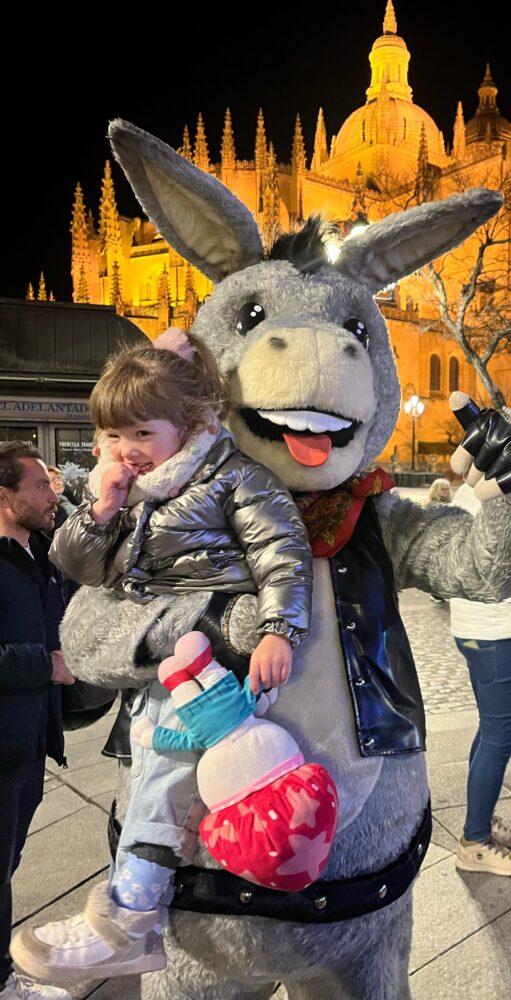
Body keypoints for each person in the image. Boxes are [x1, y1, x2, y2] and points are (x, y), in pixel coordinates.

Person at [11, 329, 313, 986]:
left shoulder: (233, 477)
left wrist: (278, 631)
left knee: (164, 770)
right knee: (152, 766)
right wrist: (101, 509)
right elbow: (75, 563)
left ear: (192, 423)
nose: (126, 451)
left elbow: (281, 552)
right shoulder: (132, 491)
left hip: (217, 651)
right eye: (114, 437)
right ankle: (135, 912)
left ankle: (130, 918)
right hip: (158, 658)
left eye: (142, 435)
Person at [0, 442, 75, 1000]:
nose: (54, 494)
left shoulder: (38, 554)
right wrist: (45, 664)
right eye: (41, 487)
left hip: (25, 744)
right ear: (5, 498)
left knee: (5, 864)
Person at [450, 482, 511, 877]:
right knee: (500, 738)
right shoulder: (503, 503)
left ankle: (481, 821)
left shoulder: (466, 496)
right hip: (501, 634)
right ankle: (475, 843)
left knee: (490, 732)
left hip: (474, 628)